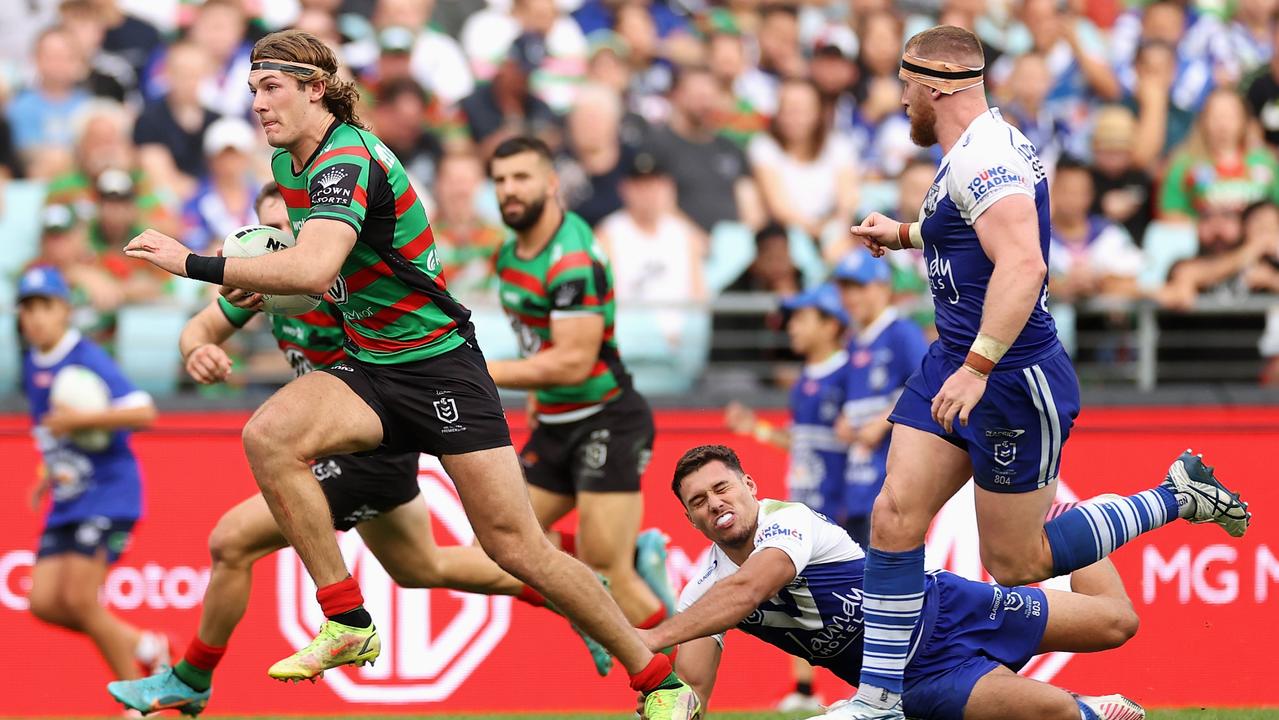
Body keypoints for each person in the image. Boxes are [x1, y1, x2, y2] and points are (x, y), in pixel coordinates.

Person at [119, 31, 697, 719]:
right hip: (373, 367)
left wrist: (198, 263)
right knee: (269, 436)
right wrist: (248, 297)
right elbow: (319, 277)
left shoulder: (346, 159)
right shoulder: (289, 161)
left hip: (440, 366)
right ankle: (347, 622)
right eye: (252, 91)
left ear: (314, 88)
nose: (259, 105)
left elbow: (311, 269)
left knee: (513, 548)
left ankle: (658, 679)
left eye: (272, 87)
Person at [842, 26, 1251, 720]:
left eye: (907, 85)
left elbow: (1026, 264)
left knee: (1017, 564)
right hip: (956, 354)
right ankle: (878, 700)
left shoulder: (984, 160)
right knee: (893, 515)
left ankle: (1173, 495)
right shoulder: (976, 145)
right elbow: (975, 227)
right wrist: (907, 235)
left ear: (936, 86)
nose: (900, 99)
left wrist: (976, 367)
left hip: (1005, 376)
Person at [106, 183, 607, 716]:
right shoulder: (263, 287)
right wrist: (199, 350)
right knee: (422, 567)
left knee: (231, 541)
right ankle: (574, 589)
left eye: (293, 236)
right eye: (269, 238)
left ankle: (191, 677)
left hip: (368, 447)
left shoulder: (339, 287)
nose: (281, 248)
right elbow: (199, 327)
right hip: (339, 446)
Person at [642, 444, 1149, 720]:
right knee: (1055, 713)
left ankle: (1074, 520)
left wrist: (654, 637)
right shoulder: (700, 591)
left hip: (946, 607)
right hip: (907, 680)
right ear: (692, 521)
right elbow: (695, 688)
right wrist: (671, 704)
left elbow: (750, 588)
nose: (715, 504)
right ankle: (1088, 709)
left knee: (1117, 623)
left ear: (749, 486)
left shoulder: (788, 520)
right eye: (699, 502)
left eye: (722, 488)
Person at [487, 136, 679, 650]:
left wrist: (481, 371)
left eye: (522, 177)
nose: (510, 190)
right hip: (554, 424)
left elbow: (572, 362)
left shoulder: (571, 258)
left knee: (607, 572)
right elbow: (541, 344)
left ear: (551, 183)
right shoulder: (509, 253)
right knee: (500, 547)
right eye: (501, 180)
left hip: (606, 418)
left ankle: (685, 686)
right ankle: (625, 565)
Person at [18, 266, 171, 690]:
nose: (35, 317)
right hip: (68, 498)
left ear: (65, 310)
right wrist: (46, 473)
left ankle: (139, 700)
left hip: (110, 492)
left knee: (83, 601)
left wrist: (82, 419)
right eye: (27, 308)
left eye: (44, 306)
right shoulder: (32, 362)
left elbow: (145, 412)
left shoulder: (86, 357)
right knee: (44, 603)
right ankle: (145, 646)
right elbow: (53, 431)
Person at [723, 282, 852, 714]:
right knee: (797, 595)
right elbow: (799, 443)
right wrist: (755, 429)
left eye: (802, 318)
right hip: (805, 508)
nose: (791, 327)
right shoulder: (804, 384)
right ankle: (804, 687)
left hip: (845, 508)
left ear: (831, 325)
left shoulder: (850, 373)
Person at [831, 249, 929, 548]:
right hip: (858, 482)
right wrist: (844, 419)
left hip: (890, 479)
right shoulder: (853, 342)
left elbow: (928, 387)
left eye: (859, 287)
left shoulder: (902, 333)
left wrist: (884, 420)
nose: (850, 297)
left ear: (883, 287)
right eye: (845, 288)